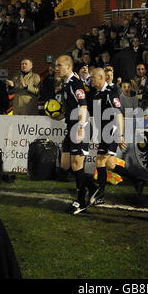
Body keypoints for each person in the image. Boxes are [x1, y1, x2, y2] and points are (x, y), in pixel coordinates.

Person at [88, 68, 144, 206]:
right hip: (103, 133)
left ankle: (100, 195)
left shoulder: (110, 94)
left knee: (100, 161)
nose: (91, 79)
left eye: (93, 77)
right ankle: (137, 179)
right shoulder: (96, 94)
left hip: (111, 132)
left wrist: (119, 135)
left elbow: (119, 114)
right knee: (110, 164)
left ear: (101, 77)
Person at [53, 55, 94, 214]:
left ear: (69, 67)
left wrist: (81, 127)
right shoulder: (66, 84)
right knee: (65, 164)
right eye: (56, 65)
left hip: (78, 127)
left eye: (59, 65)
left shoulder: (75, 83)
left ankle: (81, 201)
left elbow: (83, 106)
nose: (56, 68)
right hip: (71, 125)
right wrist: (64, 114)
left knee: (77, 164)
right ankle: (93, 187)